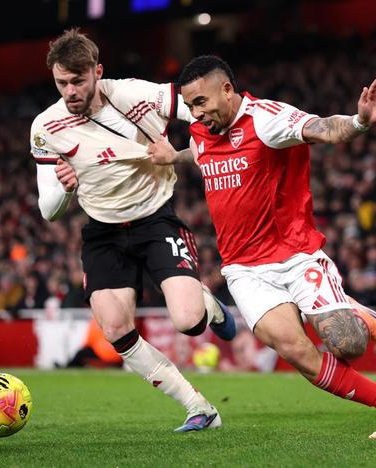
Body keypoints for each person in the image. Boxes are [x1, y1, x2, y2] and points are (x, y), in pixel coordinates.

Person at [147, 55, 376, 438]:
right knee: (297, 352)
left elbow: (324, 129)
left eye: (201, 102)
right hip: (243, 269)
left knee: (348, 344)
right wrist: (172, 156)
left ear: (227, 89)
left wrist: (359, 121)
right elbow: (200, 152)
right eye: (191, 105)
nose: (196, 113)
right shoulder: (201, 129)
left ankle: (353, 309)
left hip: (295, 255)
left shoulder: (266, 119)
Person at [29, 30, 236, 432]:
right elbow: (49, 210)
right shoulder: (46, 127)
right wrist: (65, 190)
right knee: (115, 329)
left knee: (189, 321)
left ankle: (205, 303)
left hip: (155, 219)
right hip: (103, 231)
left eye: (78, 81)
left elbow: (202, 110)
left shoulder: (135, 95)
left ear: (97, 72)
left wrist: (189, 150)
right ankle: (198, 407)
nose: (70, 91)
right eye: (61, 83)